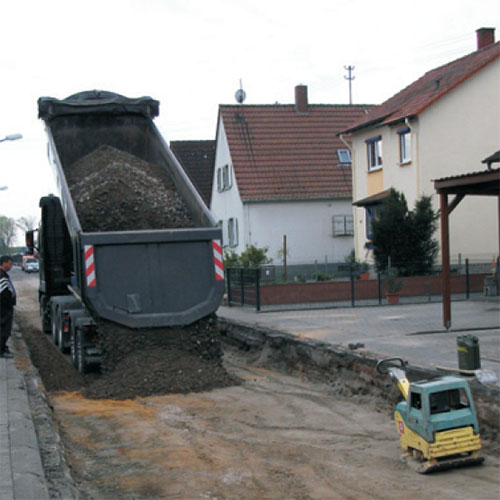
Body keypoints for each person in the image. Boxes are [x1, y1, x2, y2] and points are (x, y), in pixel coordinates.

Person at [0, 255, 16, 358]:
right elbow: (3, 293)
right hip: (4, 308)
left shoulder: (3, 275)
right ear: (4, 263)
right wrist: (8, 305)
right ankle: (1, 351)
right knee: (4, 330)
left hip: (5, 307)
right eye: (10, 264)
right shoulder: (2, 276)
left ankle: (3, 347)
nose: (11, 266)